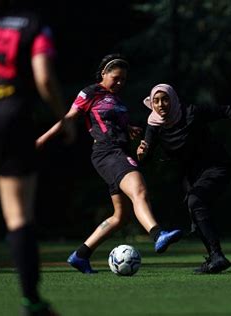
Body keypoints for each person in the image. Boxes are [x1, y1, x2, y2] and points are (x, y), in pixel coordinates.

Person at [36, 54, 182, 274]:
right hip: (107, 153)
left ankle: (80, 255)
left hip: (117, 153)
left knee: (120, 216)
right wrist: (40, 140)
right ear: (103, 73)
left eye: (124, 79)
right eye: (116, 78)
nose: (120, 83)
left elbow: (109, 122)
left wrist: (129, 128)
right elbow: (69, 117)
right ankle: (157, 234)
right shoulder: (90, 92)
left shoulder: (116, 100)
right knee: (139, 189)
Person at [0, 0, 72, 314]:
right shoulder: (32, 22)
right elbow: (43, 79)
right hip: (12, 118)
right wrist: (63, 118)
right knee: (18, 216)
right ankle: (31, 300)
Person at [137, 84, 231, 274]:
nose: (161, 104)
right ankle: (215, 258)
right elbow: (146, 156)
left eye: (165, 99)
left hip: (216, 166)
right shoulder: (154, 126)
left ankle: (217, 256)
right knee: (195, 210)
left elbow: (227, 110)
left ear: (173, 99)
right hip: (192, 176)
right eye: (156, 101)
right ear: (151, 104)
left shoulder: (191, 112)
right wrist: (141, 154)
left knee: (196, 201)